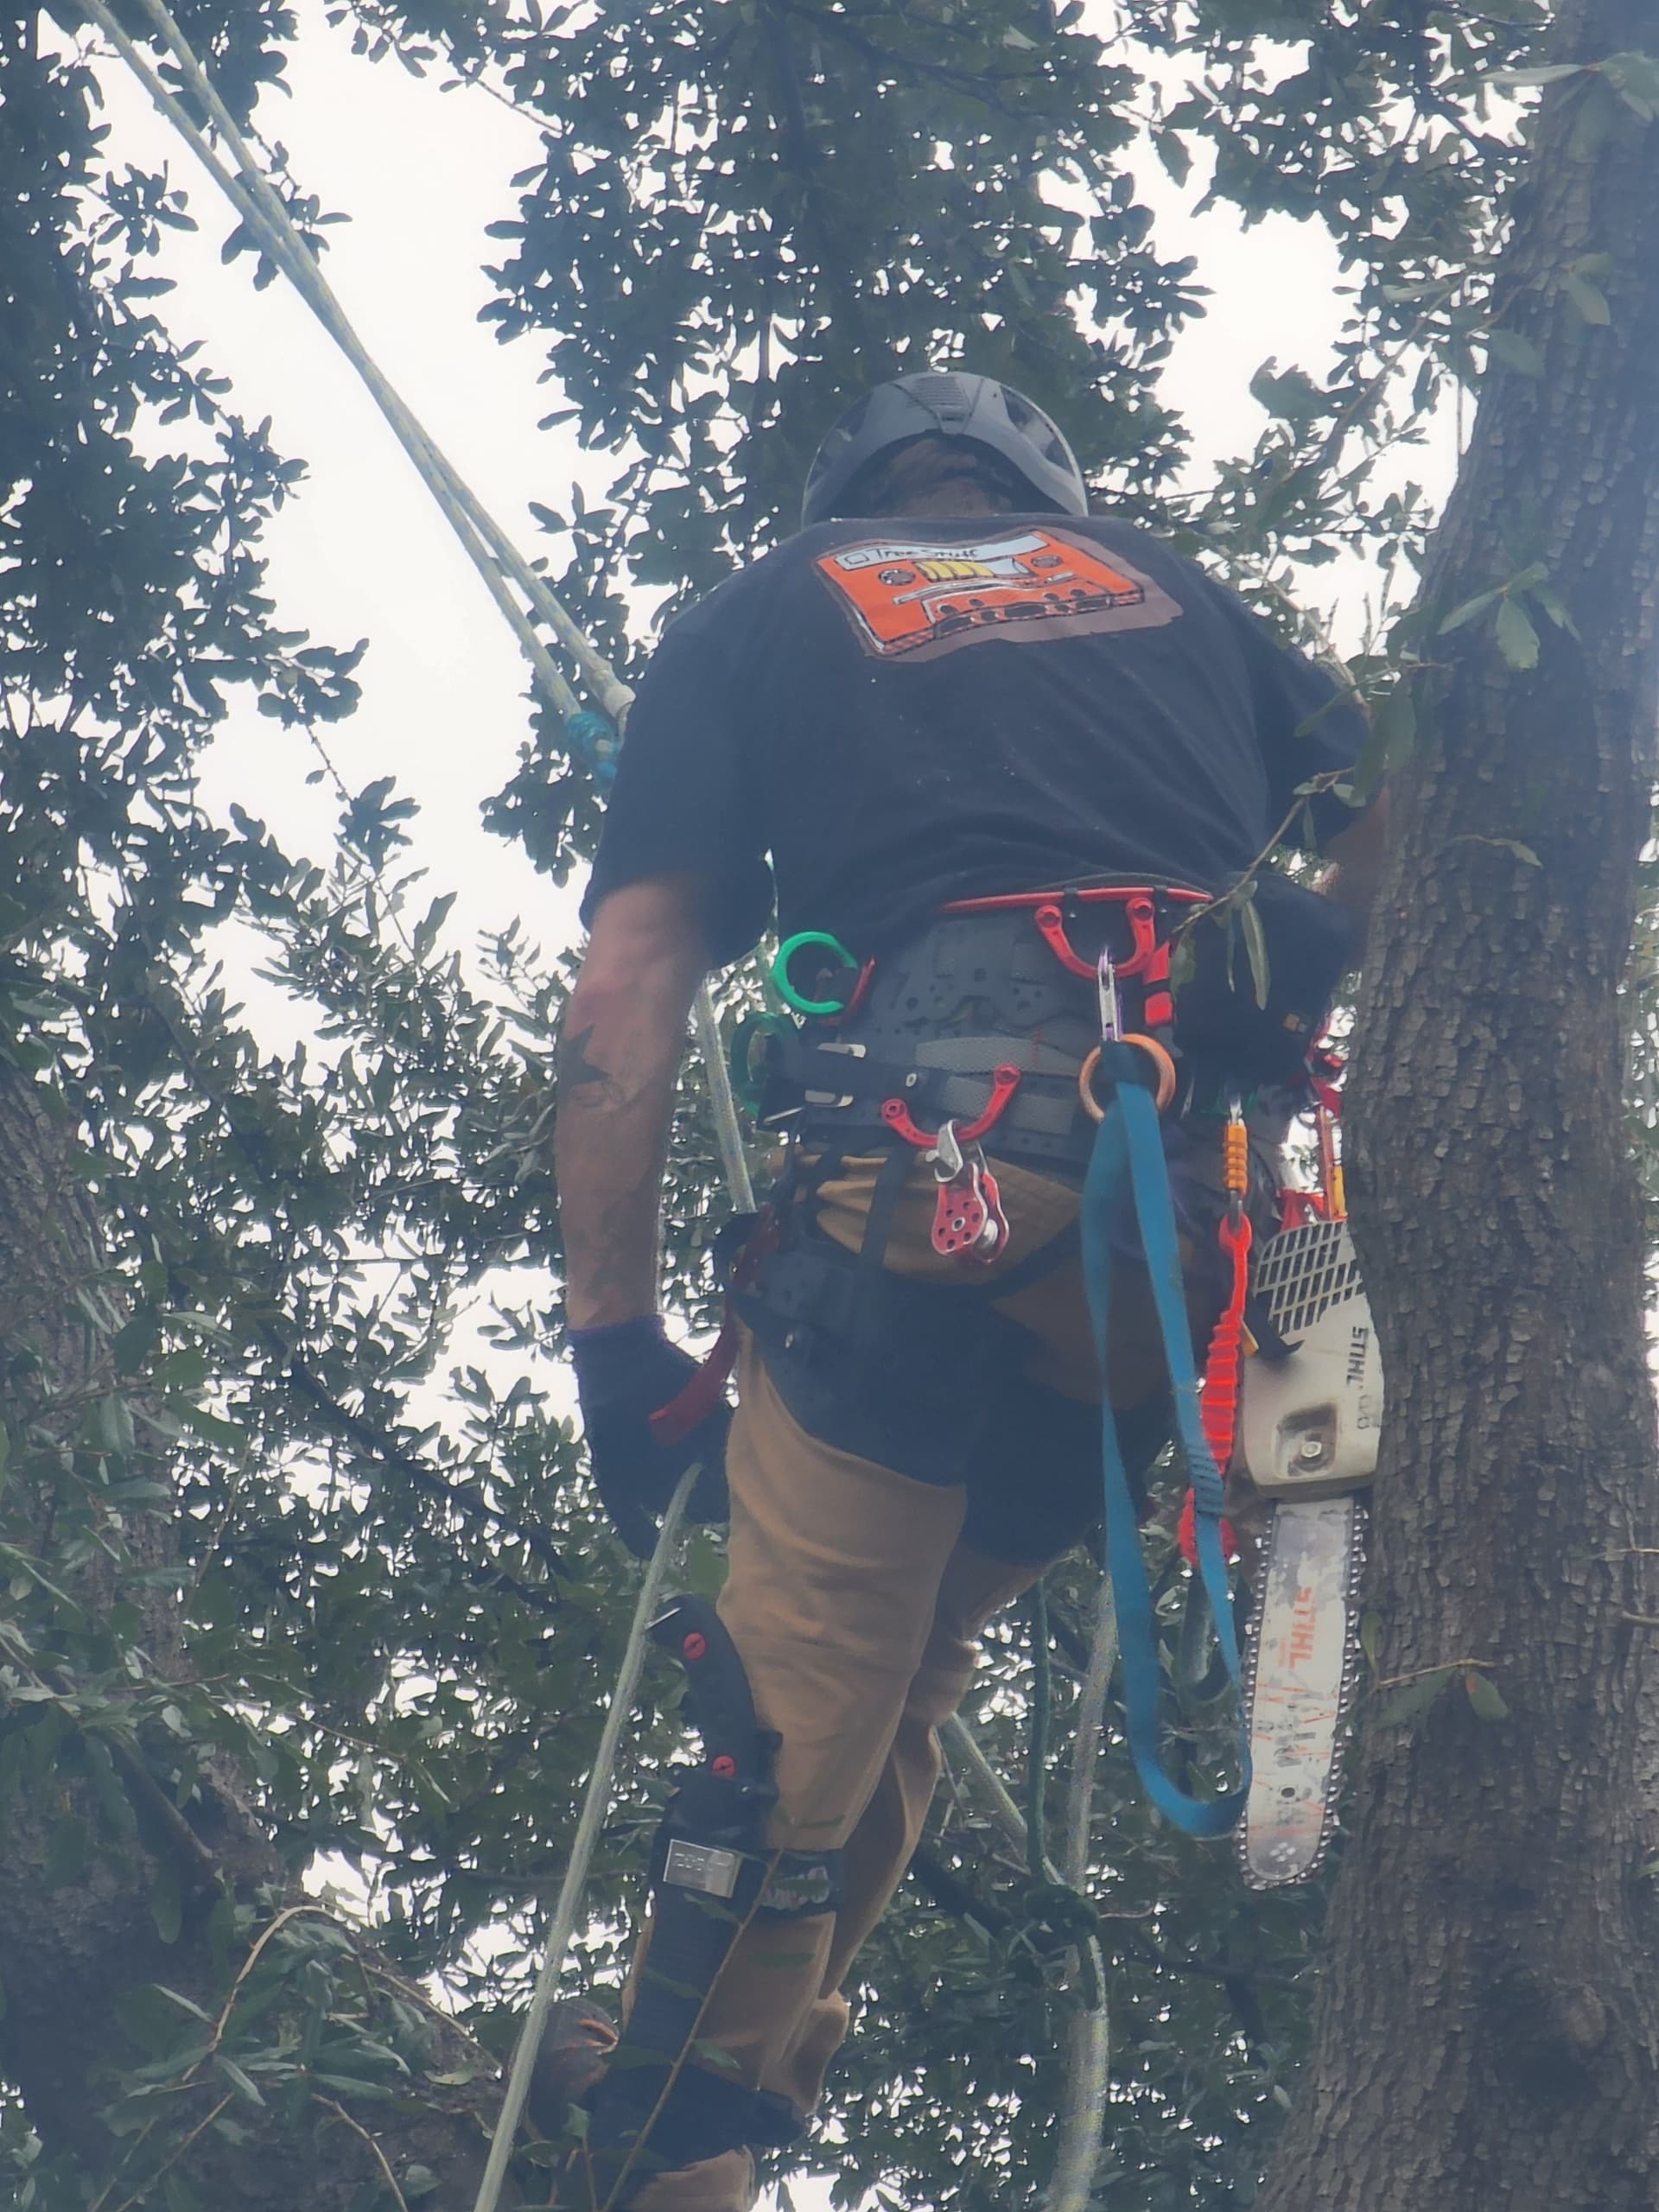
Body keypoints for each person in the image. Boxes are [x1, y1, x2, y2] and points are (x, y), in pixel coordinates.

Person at [553, 370, 1385, 2211]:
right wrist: (1313, 963)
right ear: (1045, 495)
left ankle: (675, 2147)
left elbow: (634, 978)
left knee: (804, 1697)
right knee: (911, 1657)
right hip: (1183, 1247)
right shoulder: (1174, 588)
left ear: (857, 490)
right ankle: (737, 2100)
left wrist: (615, 1345)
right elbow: (1408, 786)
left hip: (931, 1184)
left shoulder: (769, 601)